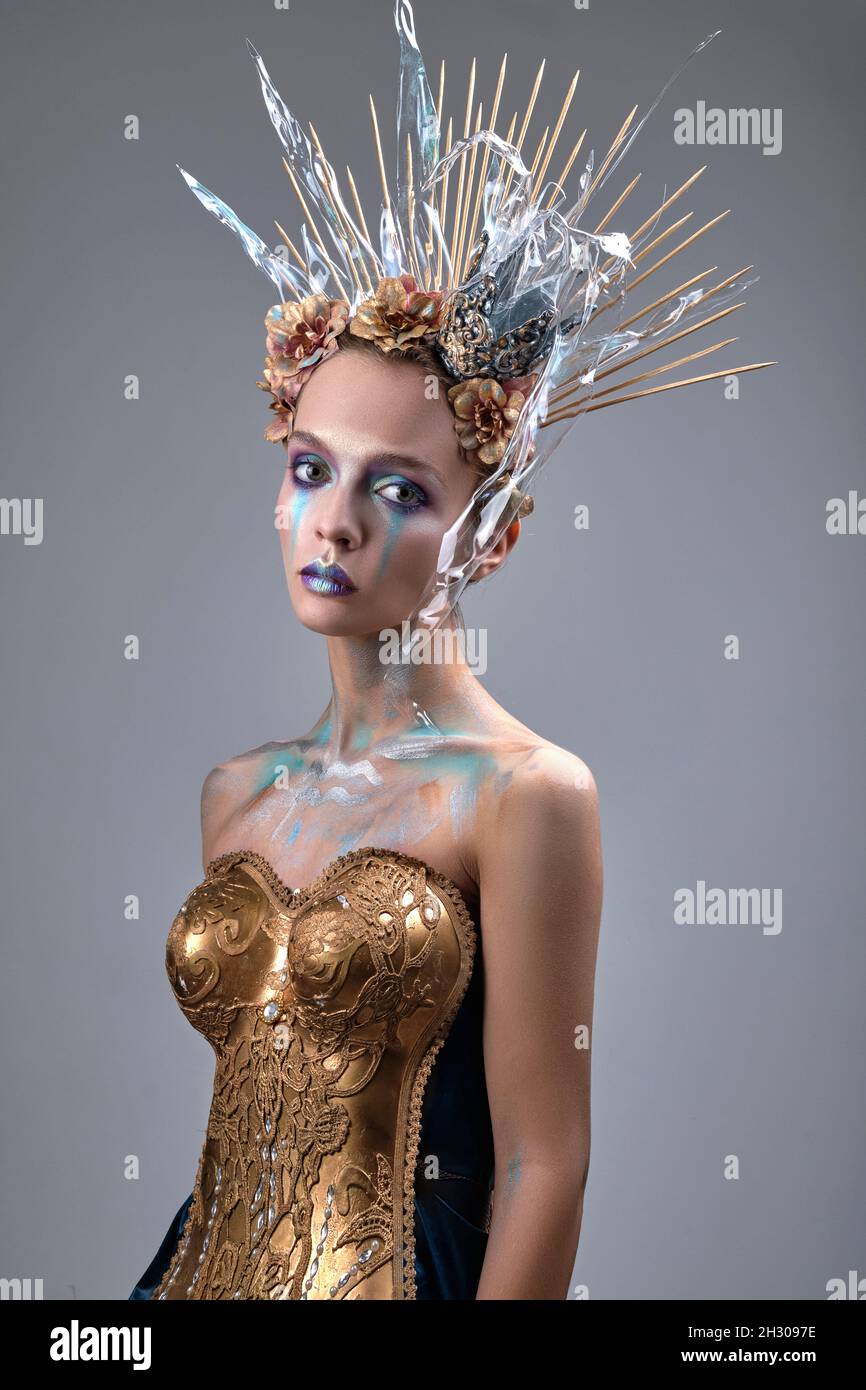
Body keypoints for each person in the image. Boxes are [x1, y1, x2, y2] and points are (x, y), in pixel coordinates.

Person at [128, 0, 771, 1301]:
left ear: (494, 536)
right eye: (310, 468)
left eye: (401, 488)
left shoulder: (525, 794)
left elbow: (545, 1162)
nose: (335, 519)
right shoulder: (236, 794)